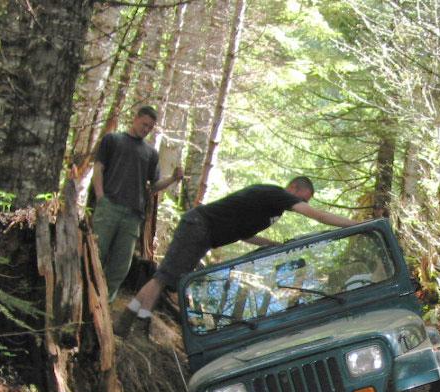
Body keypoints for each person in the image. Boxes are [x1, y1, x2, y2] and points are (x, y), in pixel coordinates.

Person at [114, 177, 360, 337]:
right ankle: (137, 323)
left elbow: (246, 235)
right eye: (303, 199)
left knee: (165, 277)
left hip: (205, 235)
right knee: (164, 277)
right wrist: (355, 225)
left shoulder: (271, 209)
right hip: (199, 226)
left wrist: (272, 244)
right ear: (295, 189)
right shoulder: (276, 195)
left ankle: (131, 318)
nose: (301, 204)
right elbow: (317, 216)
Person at [92, 106, 184, 301]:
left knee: (120, 265)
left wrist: (173, 178)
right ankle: (86, 296)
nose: (146, 129)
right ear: (135, 119)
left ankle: (104, 302)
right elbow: (98, 168)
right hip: (109, 206)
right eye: (144, 124)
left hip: (133, 215)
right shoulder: (112, 140)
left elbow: (154, 186)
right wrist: (100, 197)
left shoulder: (150, 153)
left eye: (150, 127)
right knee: (96, 254)